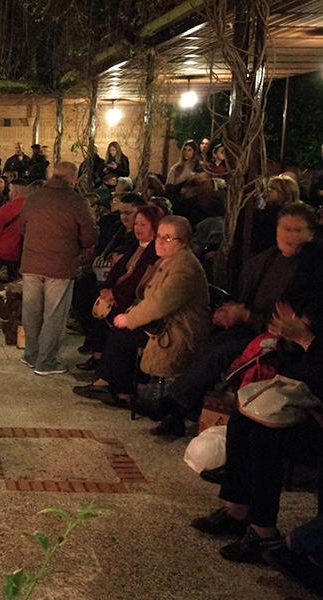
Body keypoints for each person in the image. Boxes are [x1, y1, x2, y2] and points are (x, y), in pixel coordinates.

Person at [143, 202, 321, 437]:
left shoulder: (309, 270)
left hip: (275, 338)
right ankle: (177, 412)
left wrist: (246, 316)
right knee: (209, 343)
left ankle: (173, 405)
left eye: (297, 230)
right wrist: (233, 312)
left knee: (223, 352)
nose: (289, 236)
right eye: (284, 228)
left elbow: (287, 319)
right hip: (249, 326)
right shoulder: (266, 260)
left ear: (310, 234)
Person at [191, 296, 323, 564]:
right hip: (307, 393)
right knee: (243, 418)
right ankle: (237, 510)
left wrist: (307, 340)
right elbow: (297, 359)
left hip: (316, 405)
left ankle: (262, 529)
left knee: (266, 435)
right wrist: (289, 337)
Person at [105, 216, 210, 407]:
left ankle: (124, 393)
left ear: (183, 242)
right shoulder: (168, 260)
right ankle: (112, 384)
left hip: (178, 330)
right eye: (159, 236)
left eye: (168, 238)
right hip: (164, 322)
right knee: (116, 329)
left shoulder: (184, 268)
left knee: (121, 336)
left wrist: (130, 318)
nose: (160, 242)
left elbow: (160, 302)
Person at [72, 206, 164, 401]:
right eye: (137, 224)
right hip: (126, 295)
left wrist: (115, 294)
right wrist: (107, 288)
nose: (138, 228)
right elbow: (119, 268)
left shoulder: (155, 252)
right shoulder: (136, 245)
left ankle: (107, 381)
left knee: (118, 326)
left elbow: (140, 280)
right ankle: (101, 364)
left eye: (143, 224)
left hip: (138, 303)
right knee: (89, 298)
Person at [19, 162, 98, 375]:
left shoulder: (34, 198)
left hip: (31, 263)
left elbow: (21, 227)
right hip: (61, 265)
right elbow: (90, 236)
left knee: (31, 311)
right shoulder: (76, 201)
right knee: (54, 314)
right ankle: (46, 361)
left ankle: (31, 354)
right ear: (72, 179)